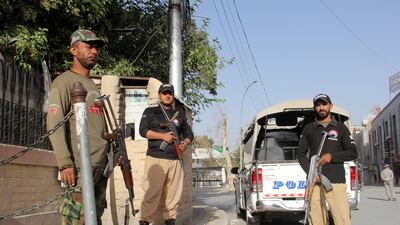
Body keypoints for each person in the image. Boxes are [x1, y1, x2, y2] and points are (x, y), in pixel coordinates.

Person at [47, 29, 109, 224]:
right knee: (76, 219)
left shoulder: (91, 84)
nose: (94, 50)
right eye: (89, 46)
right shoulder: (63, 82)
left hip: (99, 166)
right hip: (81, 165)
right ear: (73, 50)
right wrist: (65, 162)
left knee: (94, 218)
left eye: (96, 47)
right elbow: (54, 123)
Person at [298, 93, 358, 225]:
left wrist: (332, 157)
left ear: (330, 106)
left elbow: (353, 152)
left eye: (324, 104)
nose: (321, 108)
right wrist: (311, 172)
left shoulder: (341, 128)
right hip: (314, 182)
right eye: (318, 105)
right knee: (316, 219)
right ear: (315, 108)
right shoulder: (309, 128)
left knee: (342, 219)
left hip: (336, 181)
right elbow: (301, 154)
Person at [138, 84, 194, 225]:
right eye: (164, 93)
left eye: (170, 93)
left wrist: (185, 143)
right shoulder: (151, 111)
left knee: (173, 195)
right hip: (156, 158)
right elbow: (143, 131)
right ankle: (145, 221)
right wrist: (162, 137)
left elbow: (189, 134)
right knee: (152, 193)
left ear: (173, 95)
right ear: (159, 95)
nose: (167, 95)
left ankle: (170, 220)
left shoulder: (180, 114)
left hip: (175, 160)